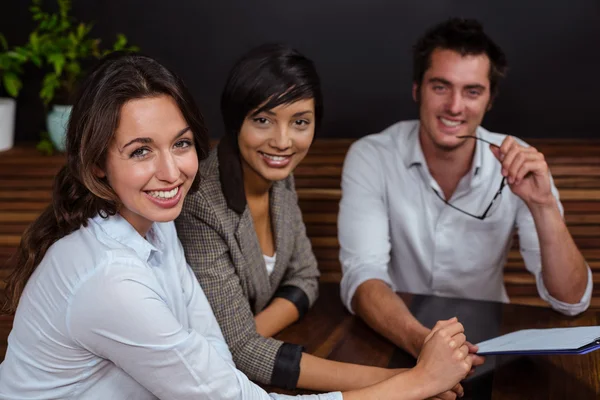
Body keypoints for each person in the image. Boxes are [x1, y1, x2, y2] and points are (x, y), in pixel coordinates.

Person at [0, 52, 470, 400]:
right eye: (141, 151)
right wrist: (416, 381)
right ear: (97, 164)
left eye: (181, 144)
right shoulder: (111, 279)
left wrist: (414, 380)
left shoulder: (156, 223)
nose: (172, 172)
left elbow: (218, 352)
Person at [175, 43, 472, 398]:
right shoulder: (201, 202)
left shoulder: (277, 172)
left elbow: (306, 277)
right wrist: (404, 381)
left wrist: (247, 336)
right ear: (235, 118)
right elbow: (240, 351)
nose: (283, 141)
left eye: (300, 122)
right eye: (263, 120)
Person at [338, 17, 593, 361]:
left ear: (489, 100)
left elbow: (571, 301)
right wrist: (424, 346)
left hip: (491, 342)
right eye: (440, 87)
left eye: (472, 91)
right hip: (396, 332)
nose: (455, 106)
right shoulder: (372, 156)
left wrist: (544, 206)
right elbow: (363, 274)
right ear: (417, 89)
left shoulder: (519, 159)